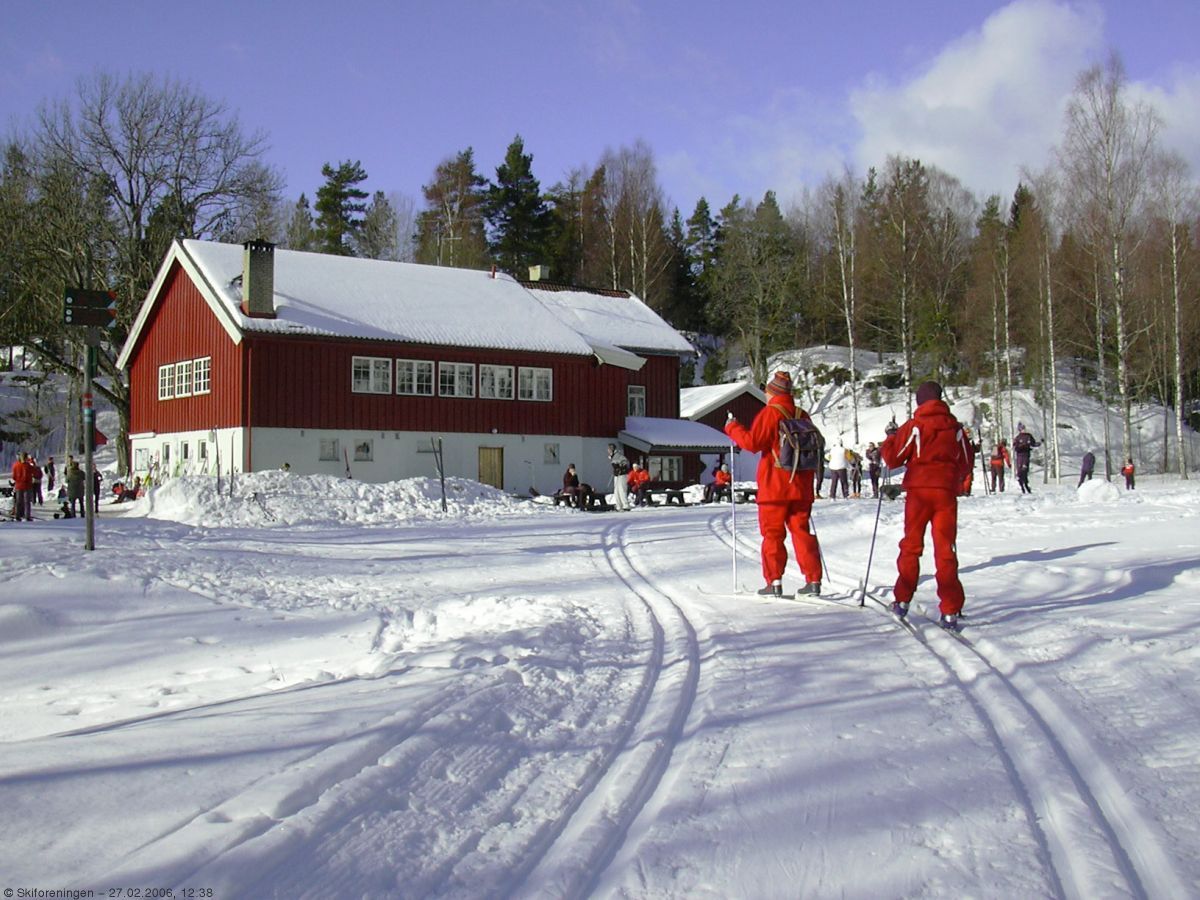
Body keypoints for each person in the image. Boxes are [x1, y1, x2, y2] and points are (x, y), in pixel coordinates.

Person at [881, 380, 975, 630]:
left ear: (920, 401)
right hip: (945, 493)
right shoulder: (955, 428)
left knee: (912, 546)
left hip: (919, 493)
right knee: (945, 550)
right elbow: (966, 463)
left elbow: (893, 459)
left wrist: (890, 438)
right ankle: (950, 609)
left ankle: (902, 600)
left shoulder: (915, 425)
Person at [725, 370, 823, 597]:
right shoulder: (802, 414)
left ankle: (774, 582)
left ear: (771, 392)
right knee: (801, 532)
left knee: (773, 535)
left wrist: (732, 428)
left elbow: (752, 443)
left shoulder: (771, 413)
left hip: (775, 487)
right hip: (801, 485)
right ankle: (813, 580)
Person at [1012, 422, 1039, 494]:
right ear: (1019, 430)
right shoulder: (1017, 438)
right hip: (1019, 456)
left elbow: (1033, 444)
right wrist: (1020, 446)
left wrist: (1039, 443)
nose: (1023, 430)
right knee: (1019, 473)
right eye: (1022, 428)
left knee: (1024, 471)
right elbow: (1015, 447)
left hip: (1026, 456)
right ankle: (1022, 486)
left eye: (1024, 428)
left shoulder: (1029, 436)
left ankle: (1026, 485)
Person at [10, 452, 35, 521]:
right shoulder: (28, 466)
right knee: (27, 502)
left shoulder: (15, 465)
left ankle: (17, 515)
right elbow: (34, 472)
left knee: (18, 501)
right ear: (26, 458)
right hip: (27, 485)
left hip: (18, 485)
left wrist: (18, 480)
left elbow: (14, 476)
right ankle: (27, 516)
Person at [607, 443, 631, 511]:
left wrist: (621, 468)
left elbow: (626, 462)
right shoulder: (613, 456)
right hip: (617, 475)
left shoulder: (618, 455)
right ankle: (619, 505)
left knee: (622, 490)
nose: (608, 451)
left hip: (622, 475)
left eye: (609, 449)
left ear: (613, 449)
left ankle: (625, 505)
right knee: (616, 490)